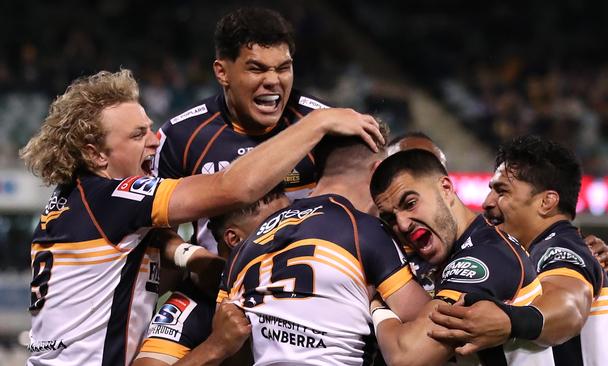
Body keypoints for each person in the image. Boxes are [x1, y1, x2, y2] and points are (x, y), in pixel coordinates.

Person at [20, 69, 382, 365]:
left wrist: (190, 256)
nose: (154, 141)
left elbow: (141, 253)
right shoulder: (114, 198)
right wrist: (317, 123)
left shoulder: (72, 202)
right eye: (137, 134)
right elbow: (235, 187)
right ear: (96, 154)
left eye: (149, 127)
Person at [219, 124, 433, 365]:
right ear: (376, 172)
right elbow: (430, 324)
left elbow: (229, 344)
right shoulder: (364, 230)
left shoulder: (245, 247)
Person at [429, 135, 608, 365]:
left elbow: (570, 305)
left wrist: (508, 321)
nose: (487, 203)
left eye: (502, 191)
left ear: (546, 202)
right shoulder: (543, 251)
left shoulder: (555, 246)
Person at [155, 7, 331, 254]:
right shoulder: (180, 137)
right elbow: (154, 230)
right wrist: (193, 260)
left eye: (283, 68)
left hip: (307, 284)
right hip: (217, 288)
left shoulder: (325, 124)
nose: (273, 80)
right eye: (257, 69)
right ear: (222, 72)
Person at [368, 148, 553, 365]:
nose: (402, 224)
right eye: (390, 218)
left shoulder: (484, 256)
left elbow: (407, 357)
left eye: (410, 204)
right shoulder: (455, 248)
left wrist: (378, 305)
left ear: (446, 188)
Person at [134, 188, 290, 366]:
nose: (297, 234)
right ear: (234, 239)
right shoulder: (190, 307)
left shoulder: (308, 284)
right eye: (278, 227)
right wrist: (216, 346)